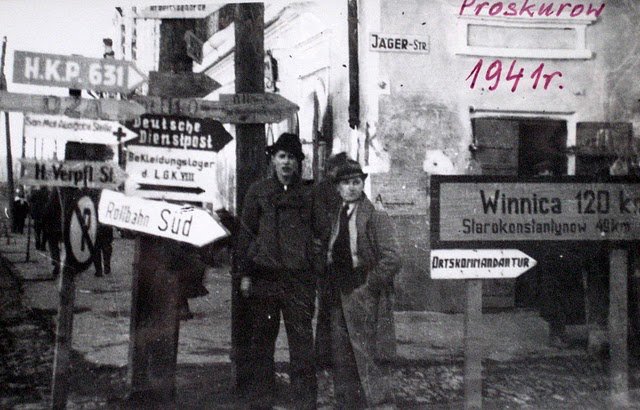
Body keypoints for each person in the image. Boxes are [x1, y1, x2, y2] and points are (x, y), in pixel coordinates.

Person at [236, 133, 317, 409]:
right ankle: (262, 401)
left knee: (302, 345)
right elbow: (246, 235)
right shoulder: (257, 193)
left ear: (298, 164)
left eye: (292, 158)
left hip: (298, 282)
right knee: (261, 344)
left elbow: (321, 234)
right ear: (273, 160)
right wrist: (245, 275)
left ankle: (304, 403)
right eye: (282, 156)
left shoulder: (308, 195)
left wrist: (312, 265)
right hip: (264, 279)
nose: (286, 163)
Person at [323, 159, 400, 408]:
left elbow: (393, 258)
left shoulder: (375, 215)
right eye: (346, 183)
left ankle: (377, 404)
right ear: (338, 188)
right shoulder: (338, 214)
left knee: (368, 356)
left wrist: (370, 286)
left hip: (363, 291)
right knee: (342, 356)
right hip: (339, 292)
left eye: (356, 182)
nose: (352, 187)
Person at [532, 160, 585, 348]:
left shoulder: (562, 195)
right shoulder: (532, 196)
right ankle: (555, 334)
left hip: (562, 250)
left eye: (548, 174)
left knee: (563, 294)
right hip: (546, 252)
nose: (544, 179)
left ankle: (560, 333)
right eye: (541, 176)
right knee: (550, 295)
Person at [312, 152, 348, 369]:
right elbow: (321, 222)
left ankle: (334, 355)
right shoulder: (322, 191)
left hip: (339, 258)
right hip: (326, 259)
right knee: (328, 307)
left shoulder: (339, 189)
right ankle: (325, 356)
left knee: (338, 308)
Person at [42, 187, 63, 278]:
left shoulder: (52, 201)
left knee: (53, 245)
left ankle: (56, 262)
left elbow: (47, 211)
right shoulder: (66, 198)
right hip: (64, 226)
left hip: (53, 227)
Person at [29, 186, 49, 251]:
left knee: (37, 231)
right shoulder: (48, 193)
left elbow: (30, 200)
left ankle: (38, 244)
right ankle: (43, 245)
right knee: (45, 232)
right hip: (45, 215)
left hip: (37, 215)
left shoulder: (35, 193)